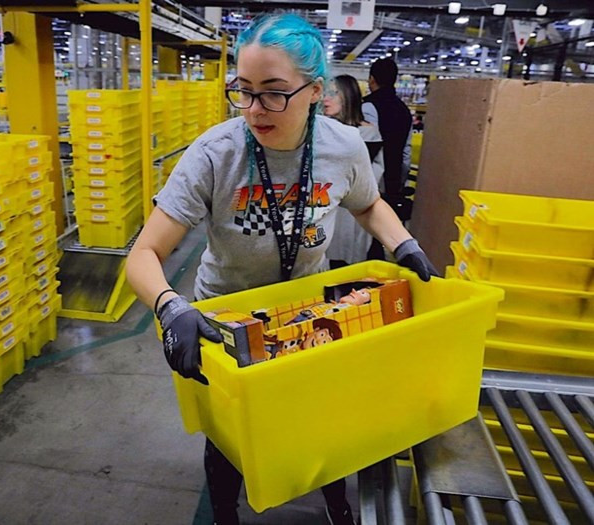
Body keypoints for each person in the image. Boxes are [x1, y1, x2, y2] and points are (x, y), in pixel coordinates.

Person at [126, 13, 437, 525]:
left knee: (317, 413)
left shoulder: (342, 146)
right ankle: (225, 512)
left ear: (314, 91)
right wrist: (170, 305)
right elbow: (144, 253)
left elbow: (366, 203)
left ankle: (335, 500)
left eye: (273, 93)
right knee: (229, 431)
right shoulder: (216, 154)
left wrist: (402, 243)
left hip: (307, 312)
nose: (254, 109)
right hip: (224, 319)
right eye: (244, 91)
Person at [323, 74, 384, 266]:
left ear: (348, 96)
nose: (326, 99)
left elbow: (371, 174)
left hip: (352, 208)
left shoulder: (367, 133)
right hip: (324, 205)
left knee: (350, 256)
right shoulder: (321, 128)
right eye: (325, 93)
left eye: (333, 93)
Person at [362, 58, 413, 261]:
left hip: (370, 177)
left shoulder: (367, 106)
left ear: (371, 79)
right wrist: (400, 179)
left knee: (365, 228)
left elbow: (367, 145)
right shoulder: (404, 110)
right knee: (381, 228)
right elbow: (406, 151)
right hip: (392, 178)